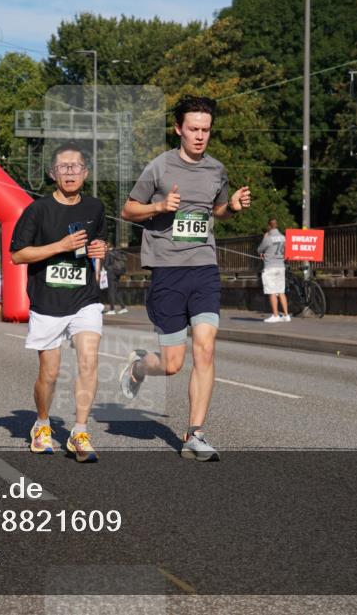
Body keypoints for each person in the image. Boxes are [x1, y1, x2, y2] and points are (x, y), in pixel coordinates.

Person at [119, 95, 252, 461]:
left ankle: (195, 434)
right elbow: (128, 209)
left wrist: (233, 208)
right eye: (193, 129)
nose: (199, 136)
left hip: (204, 267)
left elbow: (218, 210)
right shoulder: (159, 168)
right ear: (178, 128)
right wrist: (159, 207)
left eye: (205, 130)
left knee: (206, 348)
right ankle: (140, 366)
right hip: (167, 271)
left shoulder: (216, 170)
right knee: (173, 364)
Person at [11, 142, 108, 463]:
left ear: (86, 172)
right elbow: (18, 254)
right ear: (53, 173)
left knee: (88, 360)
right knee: (49, 374)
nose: (70, 172)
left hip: (85, 298)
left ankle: (80, 431)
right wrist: (60, 245)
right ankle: (41, 424)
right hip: (47, 301)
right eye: (63, 167)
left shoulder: (95, 208)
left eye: (76, 167)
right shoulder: (37, 210)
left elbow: (97, 246)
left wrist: (99, 252)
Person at [258, 218, 290, 323]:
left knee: (272, 291)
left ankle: (275, 315)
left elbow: (260, 249)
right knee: (281, 291)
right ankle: (286, 315)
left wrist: (264, 238)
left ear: (269, 226)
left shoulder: (268, 238)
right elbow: (286, 251)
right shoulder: (283, 237)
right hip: (281, 266)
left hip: (270, 266)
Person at [103, 246, 129, 315]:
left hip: (111, 273)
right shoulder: (118, 252)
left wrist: (108, 268)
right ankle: (123, 308)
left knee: (111, 291)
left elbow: (105, 265)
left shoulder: (108, 253)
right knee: (116, 290)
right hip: (118, 273)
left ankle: (112, 309)